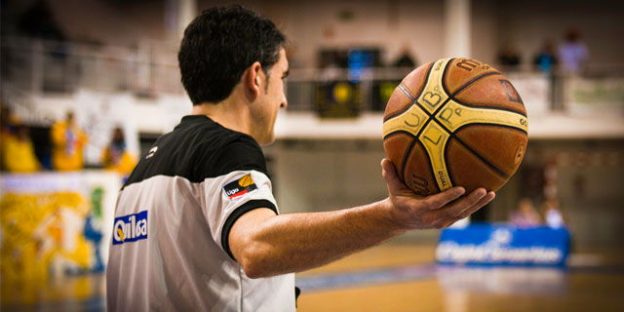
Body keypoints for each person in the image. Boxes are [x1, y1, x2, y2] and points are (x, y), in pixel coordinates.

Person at [106, 6, 495, 311]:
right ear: (255, 78)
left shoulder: (140, 173)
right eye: (284, 79)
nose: (285, 99)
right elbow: (257, 248)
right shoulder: (227, 147)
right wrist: (394, 216)